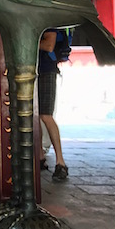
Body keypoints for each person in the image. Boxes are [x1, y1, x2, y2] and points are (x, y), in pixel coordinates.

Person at [38, 29, 68, 182]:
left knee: (46, 115)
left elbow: (49, 45)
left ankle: (60, 162)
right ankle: (39, 156)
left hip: (46, 71)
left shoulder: (49, 24)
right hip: (34, 70)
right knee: (34, 115)